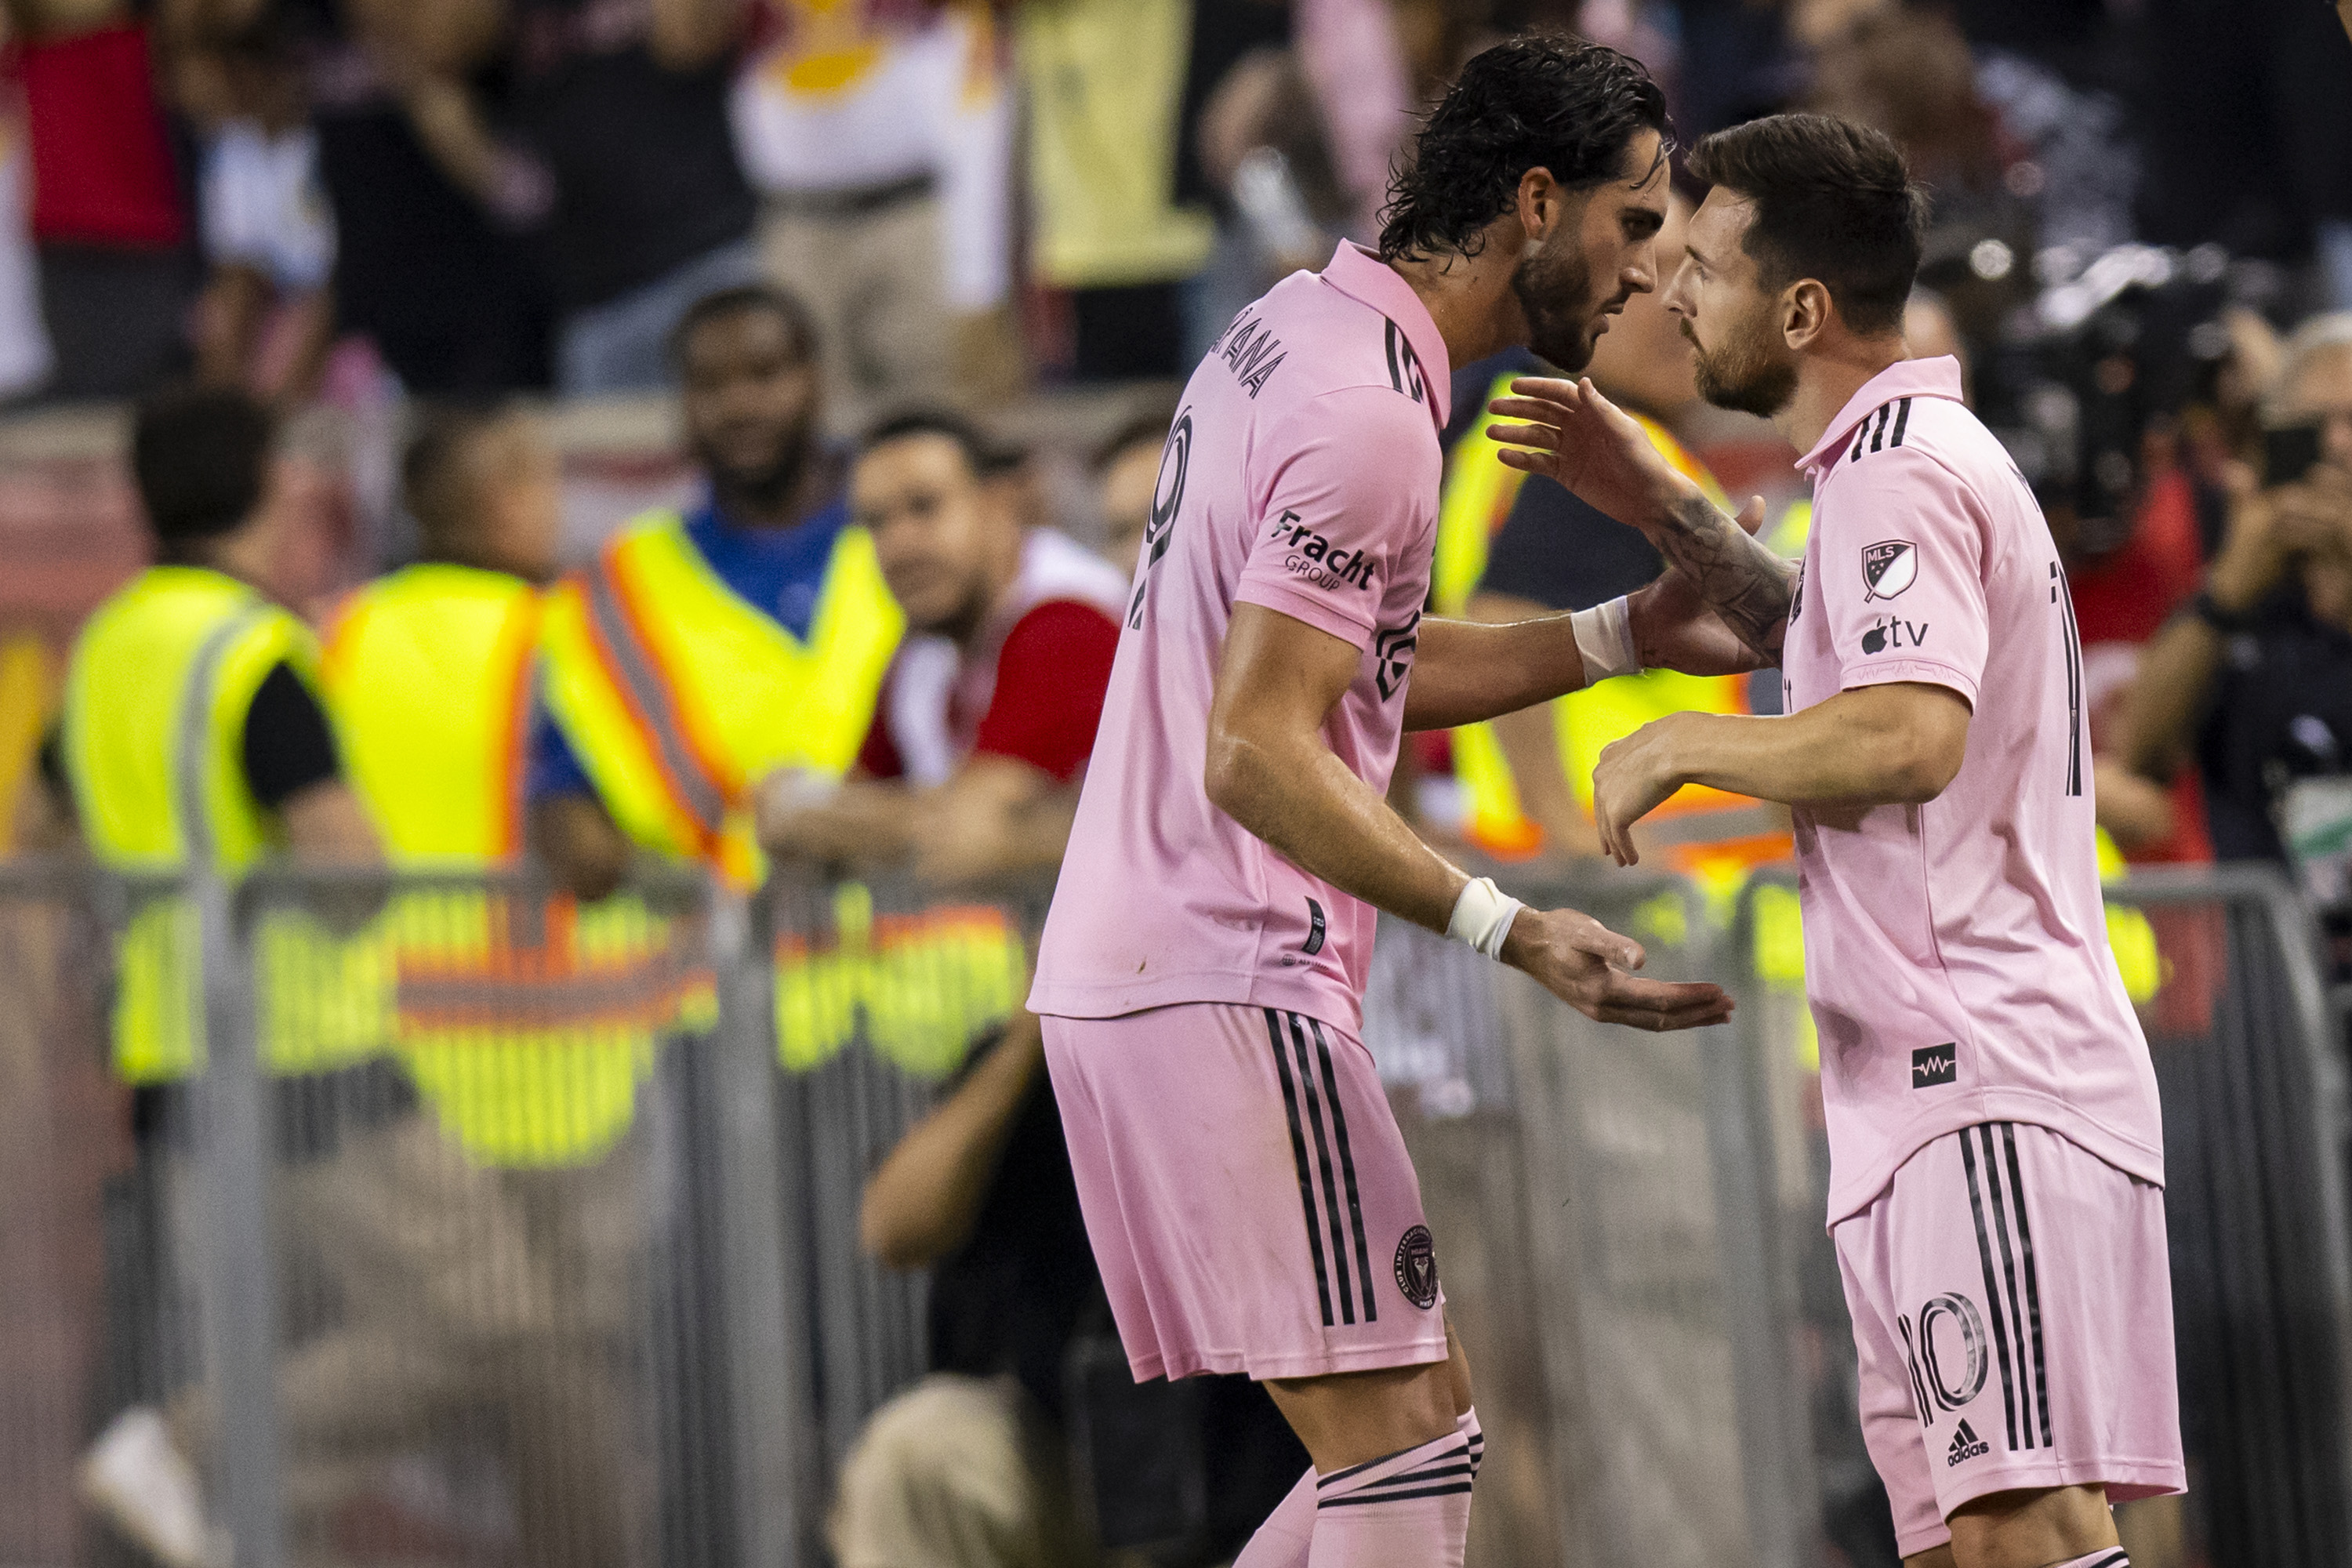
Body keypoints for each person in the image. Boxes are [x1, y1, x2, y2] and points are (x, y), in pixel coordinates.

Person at [1027, 39, 1748, 1568]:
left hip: (1152, 972)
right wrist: (1506, 924)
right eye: (1633, 225)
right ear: (1537, 203)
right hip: (1225, 972)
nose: (1644, 275)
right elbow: (1258, 749)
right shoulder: (1370, 415)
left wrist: (1618, 631)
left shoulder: (1290, 329)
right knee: (1413, 1450)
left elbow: (1349, 674)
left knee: (1411, 1442)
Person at [1490, 113, 2182, 1567]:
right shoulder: (1900, 458)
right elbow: (1826, 646)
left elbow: (1905, 736)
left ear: (1800, 309)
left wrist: (1687, 742)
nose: (1674, 293)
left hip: (1979, 1070)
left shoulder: (1897, 472)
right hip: (1937, 1084)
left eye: (1707, 267)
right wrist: (1667, 510)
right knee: (1963, 1542)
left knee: (2020, 1533)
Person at [50, 387, 382, 1568]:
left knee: (249, 1340)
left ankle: (187, 1464)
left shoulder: (104, 646)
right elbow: (350, 871)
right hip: (302, 1057)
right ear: (268, 482)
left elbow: (48, 832)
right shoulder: (254, 649)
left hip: (163, 1049)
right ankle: (177, 1449)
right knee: (466, 1322)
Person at [532, 284, 902, 896]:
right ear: (681, 402)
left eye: (765, 374)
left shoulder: (906, 537)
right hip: (727, 977)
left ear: (816, 380)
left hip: (937, 968)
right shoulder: (621, 585)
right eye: (709, 384)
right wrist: (580, 841)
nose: (740, 404)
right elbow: (563, 786)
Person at [758, 409, 1127, 885]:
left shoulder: (1068, 622)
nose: (900, 544)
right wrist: (818, 817)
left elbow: (968, 839)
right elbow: (845, 807)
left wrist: (807, 812)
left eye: (924, 507)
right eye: (876, 522)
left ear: (1000, 504)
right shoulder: (923, 652)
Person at [2111, 312, 2352, 873]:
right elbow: (2140, 750)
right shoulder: (2243, 575)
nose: (2338, 444)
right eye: (2314, 423)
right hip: (2269, 949)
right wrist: (2226, 593)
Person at [730, 0, 1018, 425]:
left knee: (935, 405)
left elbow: (977, 136)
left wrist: (978, 291)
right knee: (812, 413)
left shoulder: (933, 30)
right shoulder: (759, 29)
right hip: (799, 222)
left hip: (909, 213)